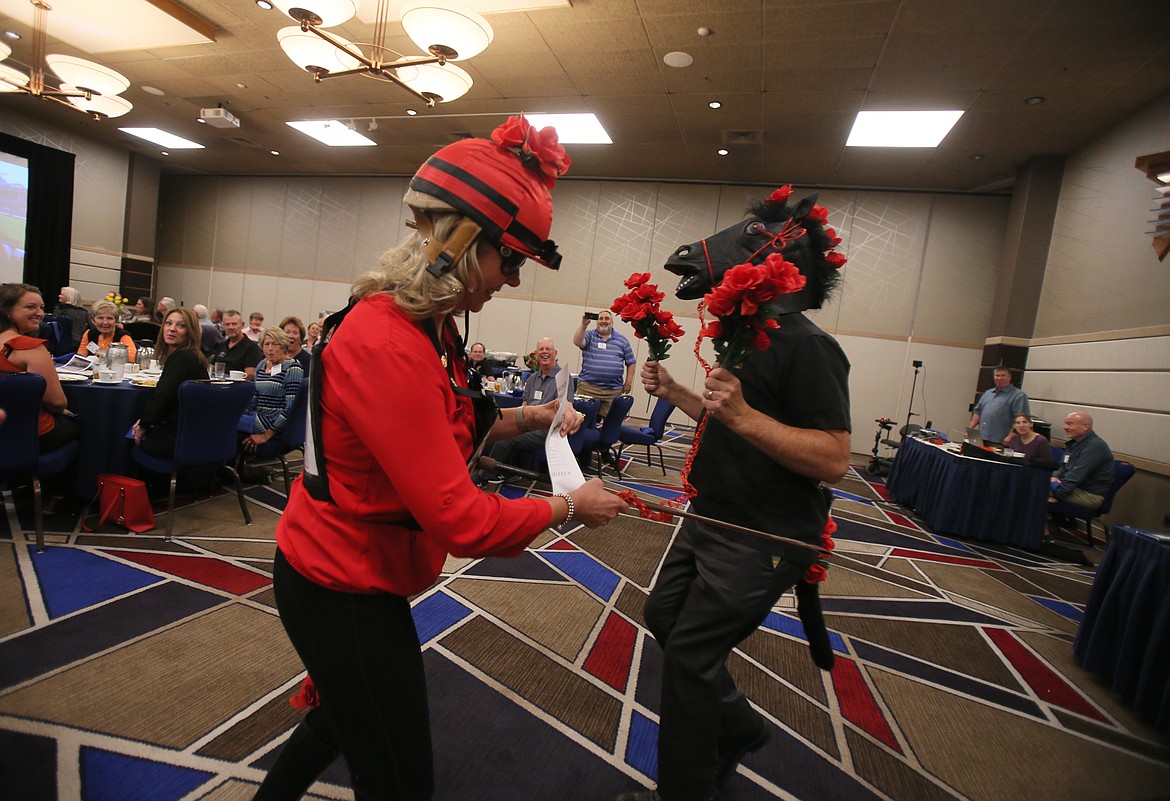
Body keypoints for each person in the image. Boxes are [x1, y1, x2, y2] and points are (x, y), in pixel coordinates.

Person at [253, 114, 627, 801]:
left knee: (340, 722)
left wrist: (531, 415)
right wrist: (570, 504)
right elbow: (461, 520)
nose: (511, 279)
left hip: (350, 567)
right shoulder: (390, 340)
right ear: (459, 243)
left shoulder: (428, 326)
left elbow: (445, 427)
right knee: (399, 781)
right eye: (507, 259)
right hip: (340, 584)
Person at [618, 190, 851, 801]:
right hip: (710, 518)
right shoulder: (751, 336)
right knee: (663, 616)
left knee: (691, 658)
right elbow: (731, 421)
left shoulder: (810, 346)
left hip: (762, 538)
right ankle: (742, 727)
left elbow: (835, 458)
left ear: (782, 258)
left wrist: (744, 417)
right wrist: (677, 391)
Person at [0, 283, 80, 452]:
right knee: (88, 426)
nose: (40, 313)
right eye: (30, 307)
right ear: (7, 311)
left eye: (42, 307)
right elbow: (57, 402)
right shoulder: (30, 348)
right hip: (30, 433)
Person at [131, 307, 211, 459]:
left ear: (190, 332)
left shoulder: (183, 358)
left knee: (127, 437)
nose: (172, 329)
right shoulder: (192, 356)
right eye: (168, 323)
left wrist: (143, 424)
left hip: (182, 437)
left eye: (181, 326)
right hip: (194, 432)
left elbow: (162, 398)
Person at [484, 337, 573, 469]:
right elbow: (524, 405)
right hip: (528, 423)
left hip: (547, 429)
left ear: (555, 353)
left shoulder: (563, 378)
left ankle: (486, 476)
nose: (544, 352)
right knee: (494, 433)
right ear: (536, 355)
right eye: (541, 349)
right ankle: (501, 470)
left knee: (505, 440)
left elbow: (564, 410)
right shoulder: (532, 378)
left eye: (548, 349)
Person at [239, 326, 304, 454]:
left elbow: (291, 408)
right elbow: (254, 399)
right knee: (226, 416)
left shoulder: (293, 367)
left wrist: (266, 435)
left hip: (272, 422)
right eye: (266, 344)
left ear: (283, 346)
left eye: (275, 344)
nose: (270, 348)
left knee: (226, 421)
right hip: (256, 417)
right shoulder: (262, 365)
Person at [573, 309, 636, 417]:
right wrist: (584, 325)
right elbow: (577, 341)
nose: (603, 321)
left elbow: (631, 362)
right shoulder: (589, 336)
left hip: (613, 391)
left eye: (607, 318)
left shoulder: (622, 340)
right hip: (588, 388)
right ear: (596, 321)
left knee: (610, 422)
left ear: (612, 322)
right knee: (583, 420)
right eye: (600, 318)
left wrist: (628, 383)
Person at [1050, 411, 1114, 509]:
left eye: (1070, 424)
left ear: (1086, 427)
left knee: (1034, 489)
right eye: (1065, 423)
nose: (1065, 427)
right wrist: (1054, 478)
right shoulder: (1074, 444)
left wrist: (1056, 494)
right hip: (1072, 488)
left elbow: (1076, 476)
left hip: (1089, 495)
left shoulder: (1095, 447)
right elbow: (1063, 467)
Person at [969, 365, 1029, 445]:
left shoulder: (1018, 395)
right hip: (981, 438)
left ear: (1009, 377)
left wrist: (1011, 436)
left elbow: (1021, 419)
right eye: (997, 375)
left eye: (1003, 375)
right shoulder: (988, 393)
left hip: (1001, 441)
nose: (999, 378)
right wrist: (970, 429)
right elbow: (978, 412)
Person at [214, 310, 263, 380]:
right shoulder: (221, 345)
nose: (230, 327)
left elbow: (250, 376)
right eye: (227, 324)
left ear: (242, 325)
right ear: (223, 326)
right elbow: (212, 368)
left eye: (234, 324)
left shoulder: (252, 348)